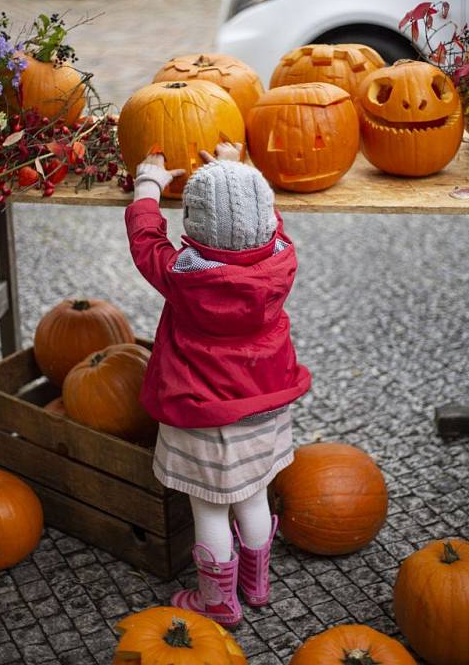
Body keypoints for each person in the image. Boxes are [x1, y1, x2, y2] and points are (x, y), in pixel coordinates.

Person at [125, 142, 311, 628]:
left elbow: (145, 237)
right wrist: (236, 168)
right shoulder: (282, 261)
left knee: (209, 508)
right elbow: (268, 217)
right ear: (266, 218)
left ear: (194, 227)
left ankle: (218, 603)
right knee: (252, 495)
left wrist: (148, 183)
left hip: (201, 415)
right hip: (264, 410)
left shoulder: (184, 275)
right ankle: (257, 584)